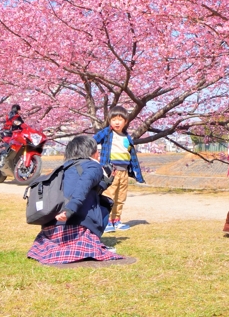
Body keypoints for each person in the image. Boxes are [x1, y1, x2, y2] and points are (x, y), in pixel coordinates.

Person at [27, 135, 124, 266]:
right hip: (75, 224)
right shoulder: (92, 166)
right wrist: (70, 209)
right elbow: (83, 186)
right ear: (91, 152)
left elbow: (86, 190)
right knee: (105, 203)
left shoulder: (64, 168)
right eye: (97, 151)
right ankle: (91, 242)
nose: (99, 154)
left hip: (50, 230)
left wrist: (106, 181)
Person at [92, 106, 146, 233]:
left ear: (125, 122)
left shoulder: (127, 137)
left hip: (124, 171)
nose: (117, 122)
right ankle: (106, 221)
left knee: (121, 197)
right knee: (108, 195)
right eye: (114, 119)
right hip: (111, 170)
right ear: (109, 120)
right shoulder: (107, 133)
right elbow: (93, 140)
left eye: (120, 119)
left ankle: (116, 220)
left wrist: (136, 173)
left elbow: (131, 155)